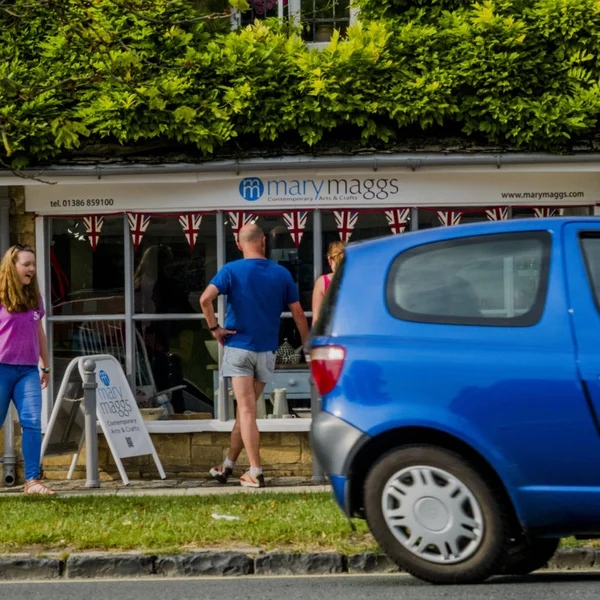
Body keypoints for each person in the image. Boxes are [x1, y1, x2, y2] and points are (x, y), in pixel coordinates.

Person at [200, 224, 309, 488]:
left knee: (246, 411)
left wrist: (215, 328)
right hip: (266, 352)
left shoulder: (231, 270)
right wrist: (307, 347)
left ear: (239, 245)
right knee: (245, 412)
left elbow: (205, 299)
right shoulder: (281, 273)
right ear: (263, 242)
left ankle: (255, 471)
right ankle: (228, 465)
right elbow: (297, 314)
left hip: (239, 348)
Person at [0, 245, 55, 495]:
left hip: (28, 372)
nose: (32, 269)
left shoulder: (35, 299)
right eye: (27, 264)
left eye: (33, 264)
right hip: (2, 369)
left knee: (32, 422)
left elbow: (39, 332)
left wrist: (45, 365)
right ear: (12, 267)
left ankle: (32, 481)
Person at [311, 241, 345, 321]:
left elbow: (316, 319)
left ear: (330, 260)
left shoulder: (322, 282)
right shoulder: (357, 280)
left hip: (331, 331)